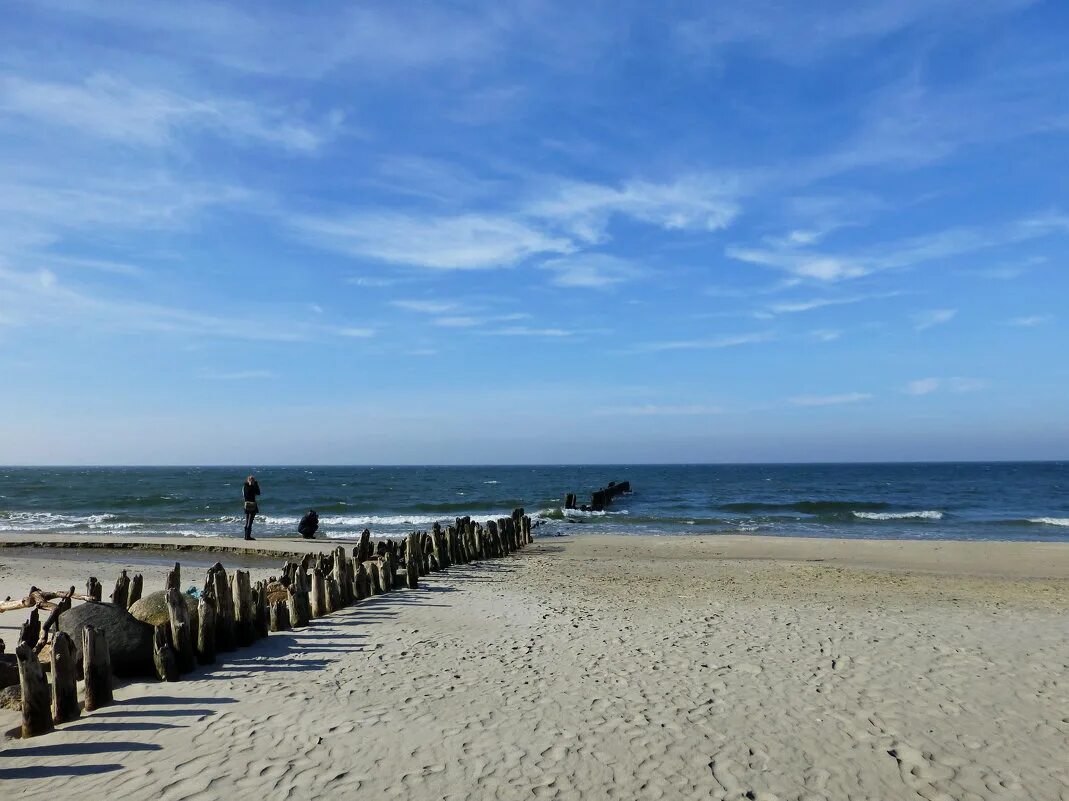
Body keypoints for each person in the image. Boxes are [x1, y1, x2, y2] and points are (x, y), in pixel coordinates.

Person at [242, 475, 261, 540]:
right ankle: (248, 536)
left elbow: (245, 495)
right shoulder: (253, 487)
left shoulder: (244, 486)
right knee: (250, 521)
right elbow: (258, 493)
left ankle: (245, 536)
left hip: (246, 504)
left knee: (247, 520)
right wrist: (255, 484)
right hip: (252, 504)